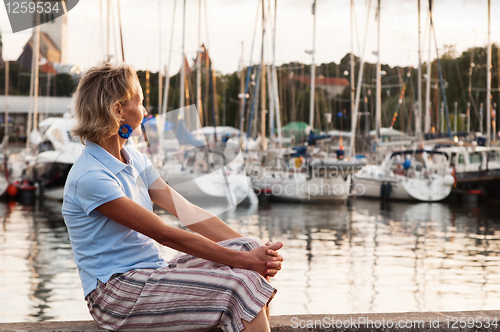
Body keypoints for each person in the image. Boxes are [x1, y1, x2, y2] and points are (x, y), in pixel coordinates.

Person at [62, 63, 283, 332]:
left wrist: (252, 253)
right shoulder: (91, 176)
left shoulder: (135, 160)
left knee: (247, 247)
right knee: (240, 283)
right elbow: (164, 234)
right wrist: (243, 262)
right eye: (139, 101)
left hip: (152, 273)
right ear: (118, 109)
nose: (144, 110)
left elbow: (187, 211)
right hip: (116, 295)